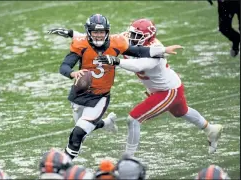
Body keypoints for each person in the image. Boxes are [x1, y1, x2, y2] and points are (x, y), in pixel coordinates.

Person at [49, 18, 223, 156]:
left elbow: (138, 65)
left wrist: (116, 61)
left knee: (133, 119)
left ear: (148, 37)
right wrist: (73, 33)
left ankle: (128, 157)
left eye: (137, 35)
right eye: (132, 33)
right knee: (182, 112)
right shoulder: (131, 37)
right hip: (165, 87)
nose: (132, 37)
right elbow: (104, 38)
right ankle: (210, 129)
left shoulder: (156, 50)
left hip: (167, 91)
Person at [57, 14, 183, 160]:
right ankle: (106, 123)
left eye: (102, 32)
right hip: (79, 93)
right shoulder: (81, 44)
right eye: (95, 32)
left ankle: (64, 164)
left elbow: (139, 51)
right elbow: (64, 66)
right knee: (82, 129)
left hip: (100, 96)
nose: (98, 35)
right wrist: (73, 74)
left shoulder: (116, 43)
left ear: (107, 32)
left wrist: (162, 50)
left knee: (78, 133)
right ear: (89, 32)